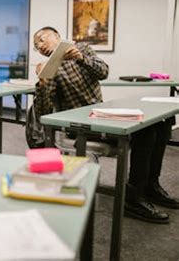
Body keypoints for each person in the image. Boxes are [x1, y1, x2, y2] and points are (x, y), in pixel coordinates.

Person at [33, 26, 178, 224]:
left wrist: (81, 59)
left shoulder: (82, 49)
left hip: (101, 114)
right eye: (35, 45)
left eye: (42, 39)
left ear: (57, 37)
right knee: (146, 133)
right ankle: (133, 200)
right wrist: (41, 83)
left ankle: (150, 186)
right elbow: (42, 112)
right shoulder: (48, 68)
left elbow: (104, 72)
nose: (39, 46)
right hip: (80, 125)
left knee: (161, 124)